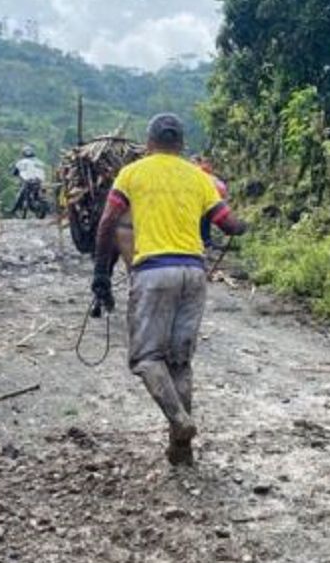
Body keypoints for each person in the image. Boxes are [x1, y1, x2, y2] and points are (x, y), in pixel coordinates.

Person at [92, 114, 248, 466]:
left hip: (153, 273)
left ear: (149, 143)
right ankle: (181, 449)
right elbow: (229, 223)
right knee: (179, 361)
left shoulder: (132, 174)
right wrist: (243, 225)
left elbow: (107, 223)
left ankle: (180, 421)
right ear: (181, 144)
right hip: (193, 274)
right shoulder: (200, 177)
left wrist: (101, 272)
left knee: (147, 358)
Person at [192, 154, 228, 249]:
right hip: (202, 200)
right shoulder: (201, 172)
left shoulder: (202, 173)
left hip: (203, 200)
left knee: (203, 220)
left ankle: (204, 241)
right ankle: (205, 241)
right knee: (203, 221)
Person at [10, 145, 47, 216]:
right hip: (39, 181)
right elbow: (43, 169)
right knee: (41, 192)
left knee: (20, 193)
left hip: (27, 181)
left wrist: (15, 174)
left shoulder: (21, 162)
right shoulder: (39, 161)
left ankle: (14, 209)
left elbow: (15, 172)